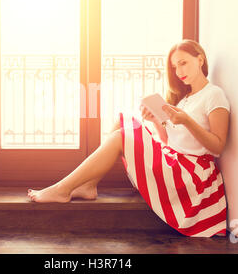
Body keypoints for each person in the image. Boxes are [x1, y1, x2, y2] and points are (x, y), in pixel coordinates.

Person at [28, 39, 231, 237]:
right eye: (175, 66)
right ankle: (89, 185)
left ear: (201, 60)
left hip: (194, 174)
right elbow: (171, 142)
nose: (179, 72)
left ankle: (62, 189)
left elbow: (218, 147)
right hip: (176, 160)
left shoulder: (214, 94)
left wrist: (186, 121)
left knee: (119, 137)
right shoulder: (185, 98)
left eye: (183, 63)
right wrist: (156, 121)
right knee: (121, 121)